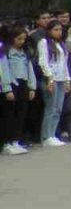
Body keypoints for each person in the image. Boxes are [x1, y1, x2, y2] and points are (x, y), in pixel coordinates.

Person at [1, 27, 37, 155]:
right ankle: (7, 143)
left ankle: (16, 141)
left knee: (21, 114)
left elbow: (30, 70)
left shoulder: (24, 53)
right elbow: (4, 70)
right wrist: (7, 89)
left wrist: (32, 87)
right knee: (9, 115)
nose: (22, 41)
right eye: (19, 39)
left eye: (24, 39)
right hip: (11, 84)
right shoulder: (5, 53)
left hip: (23, 84)